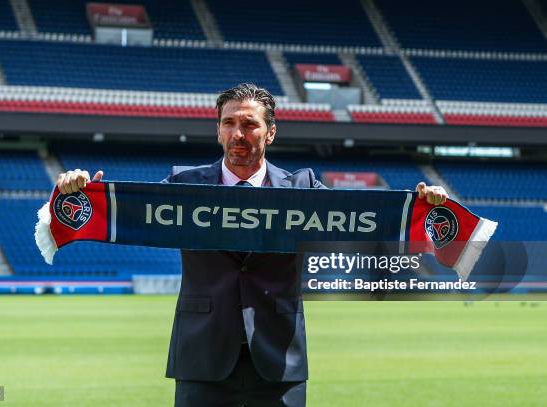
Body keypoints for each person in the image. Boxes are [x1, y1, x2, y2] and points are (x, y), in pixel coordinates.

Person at [57, 83, 448, 406]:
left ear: (270, 132)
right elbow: (124, 209)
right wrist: (79, 190)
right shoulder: (183, 186)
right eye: (228, 123)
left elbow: (364, 222)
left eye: (249, 124)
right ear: (217, 130)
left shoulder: (303, 189)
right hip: (202, 359)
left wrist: (421, 208)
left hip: (280, 362)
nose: (237, 134)